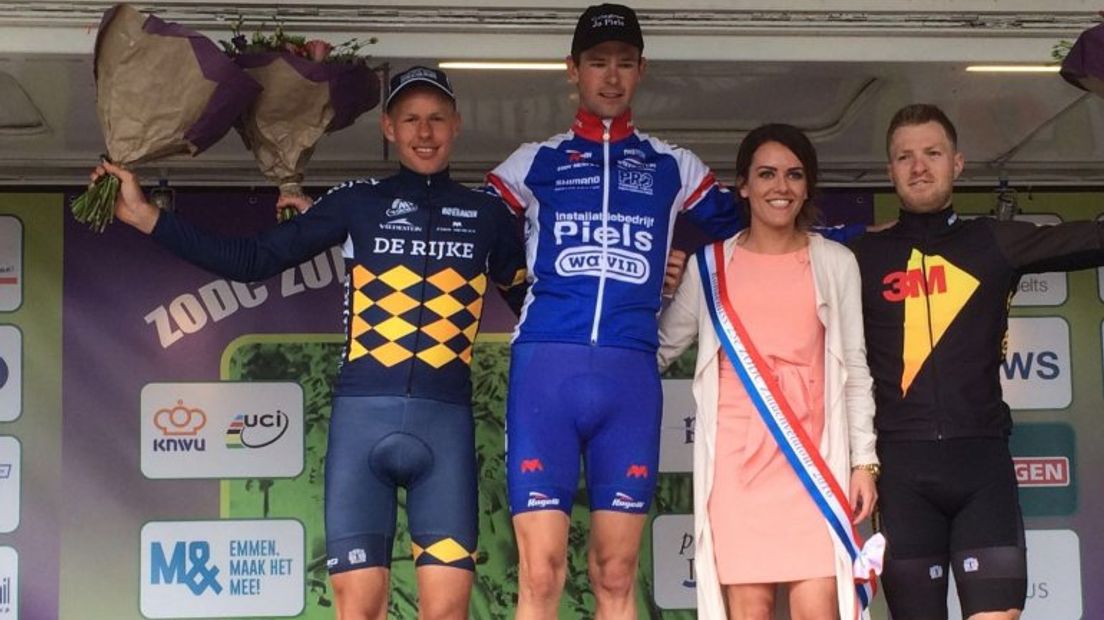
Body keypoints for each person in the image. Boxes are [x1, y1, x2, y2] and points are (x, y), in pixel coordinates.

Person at [94, 66, 527, 620]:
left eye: (437, 119)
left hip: (445, 430)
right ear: (388, 128)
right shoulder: (355, 204)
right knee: (357, 611)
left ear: (457, 126)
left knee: (447, 613)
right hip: (360, 430)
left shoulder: (487, 214)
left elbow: (535, 306)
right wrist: (147, 216)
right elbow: (253, 261)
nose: (425, 132)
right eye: (412, 119)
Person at [482, 4, 744, 618]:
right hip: (546, 369)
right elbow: (474, 234)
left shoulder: (673, 167)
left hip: (630, 374)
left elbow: (753, 230)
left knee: (616, 571)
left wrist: (683, 246)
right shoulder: (533, 161)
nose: (611, 76)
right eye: (598, 63)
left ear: (641, 71)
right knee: (540, 574)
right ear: (571, 70)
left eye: (624, 64)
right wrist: (524, 296)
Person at [850, 103, 1104, 620]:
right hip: (902, 476)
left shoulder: (993, 241)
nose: (919, 166)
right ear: (890, 171)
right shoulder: (859, 258)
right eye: (905, 157)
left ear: (958, 164)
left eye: (932, 153)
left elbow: (1090, 239)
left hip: (981, 469)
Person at [657, 124, 880, 620]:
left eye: (794, 175)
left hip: (813, 467)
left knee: (821, 609)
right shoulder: (709, 266)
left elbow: (856, 369)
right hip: (737, 472)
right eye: (767, 174)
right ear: (743, 185)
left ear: (807, 187)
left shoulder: (836, 262)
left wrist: (863, 462)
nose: (781, 187)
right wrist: (650, 290)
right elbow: (657, 351)